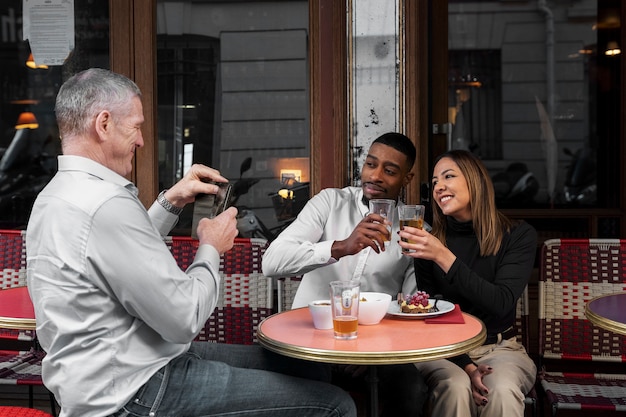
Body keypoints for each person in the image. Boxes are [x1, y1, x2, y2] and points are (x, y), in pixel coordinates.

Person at [26, 68, 356, 417]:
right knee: (335, 406)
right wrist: (211, 247)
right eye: (136, 127)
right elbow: (184, 318)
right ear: (103, 124)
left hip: (115, 372)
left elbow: (121, 258)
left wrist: (171, 201)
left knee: (309, 368)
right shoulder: (106, 204)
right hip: (134, 390)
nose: (141, 141)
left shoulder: (55, 197)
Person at [262, 132, 427, 417]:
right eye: (371, 165)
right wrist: (340, 247)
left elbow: (410, 308)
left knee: (411, 385)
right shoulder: (330, 203)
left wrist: (373, 349)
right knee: (310, 384)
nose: (375, 176)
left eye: (389, 171)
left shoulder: (413, 230)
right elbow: (272, 263)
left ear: (406, 179)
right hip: (310, 342)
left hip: (371, 351)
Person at [398, 149, 537, 417]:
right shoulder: (429, 241)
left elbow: (500, 302)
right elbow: (433, 313)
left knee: (501, 391)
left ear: (476, 180)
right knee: (454, 385)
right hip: (442, 349)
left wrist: (443, 256)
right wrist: (466, 365)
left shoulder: (518, 235)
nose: (439, 186)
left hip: (500, 348)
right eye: (435, 181)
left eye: (448, 176)